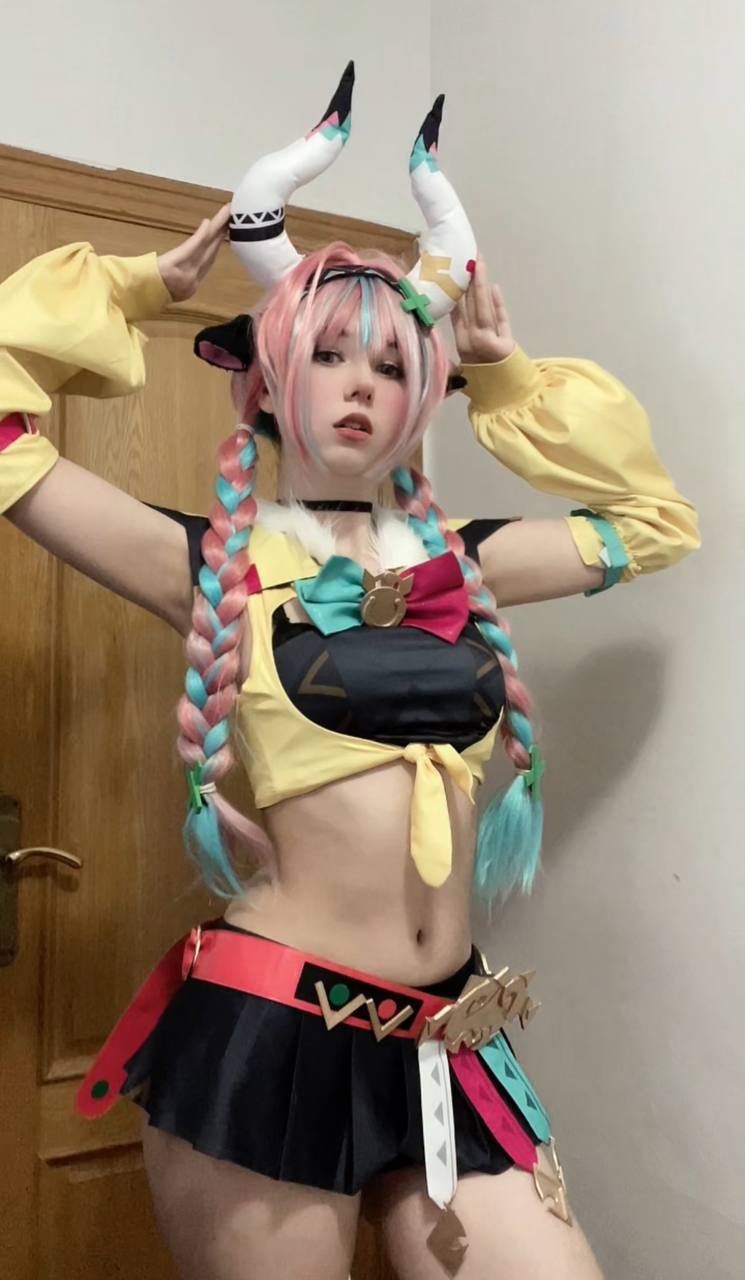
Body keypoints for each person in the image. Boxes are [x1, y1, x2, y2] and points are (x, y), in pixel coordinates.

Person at [0, 63, 699, 1280]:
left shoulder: (469, 561)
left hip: (452, 1030)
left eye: (391, 362)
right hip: (276, 1026)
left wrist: (505, 373)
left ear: (421, 392)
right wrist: (133, 286)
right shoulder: (210, 560)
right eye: (329, 354)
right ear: (269, 376)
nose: (363, 384)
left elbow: (651, 523)